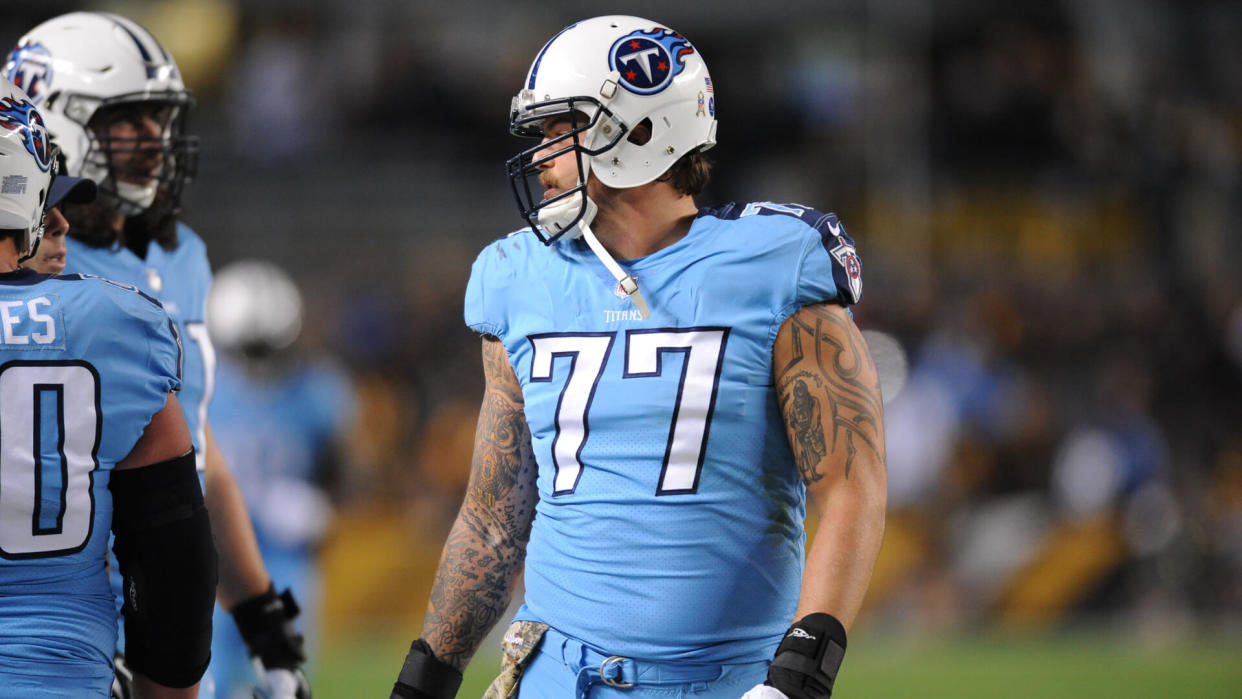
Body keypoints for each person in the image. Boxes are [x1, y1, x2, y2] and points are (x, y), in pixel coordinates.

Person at [392, 14, 887, 699]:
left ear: (640, 130)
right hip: (552, 673)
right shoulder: (517, 276)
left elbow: (850, 485)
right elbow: (495, 510)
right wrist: (426, 676)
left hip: (726, 681)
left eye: (556, 130)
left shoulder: (774, 265)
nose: (539, 156)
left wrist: (803, 668)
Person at [4, 13, 310, 698]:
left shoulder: (179, 256)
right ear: (52, 125)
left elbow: (193, 448)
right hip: (74, 619)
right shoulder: (34, 265)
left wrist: (264, 617)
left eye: (159, 119)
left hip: (165, 612)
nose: (155, 140)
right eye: (129, 119)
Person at [0, 79, 215, 698]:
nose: (61, 219)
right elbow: (177, 561)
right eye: (44, 196)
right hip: (56, 674)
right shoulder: (117, 323)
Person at [204, 259, 356, 699]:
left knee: (284, 682)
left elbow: (344, 472)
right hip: (211, 561)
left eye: (267, 348)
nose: (258, 361)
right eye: (248, 348)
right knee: (203, 679)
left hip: (285, 562)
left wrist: (321, 506)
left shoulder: (318, 390)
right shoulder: (201, 390)